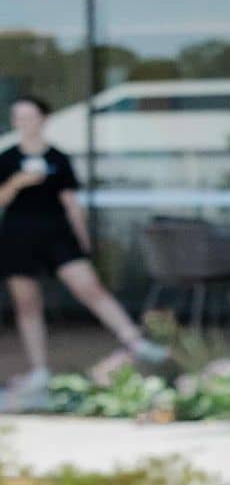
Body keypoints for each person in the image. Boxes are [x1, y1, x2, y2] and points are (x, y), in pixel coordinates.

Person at [1, 94, 169, 405]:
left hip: (57, 234)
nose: (24, 122)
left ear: (43, 119)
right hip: (18, 236)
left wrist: (84, 241)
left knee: (90, 287)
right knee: (27, 303)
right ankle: (39, 369)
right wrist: (17, 182)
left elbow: (71, 203)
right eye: (18, 117)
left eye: (29, 116)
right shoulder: (6, 159)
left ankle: (133, 340)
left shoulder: (59, 158)